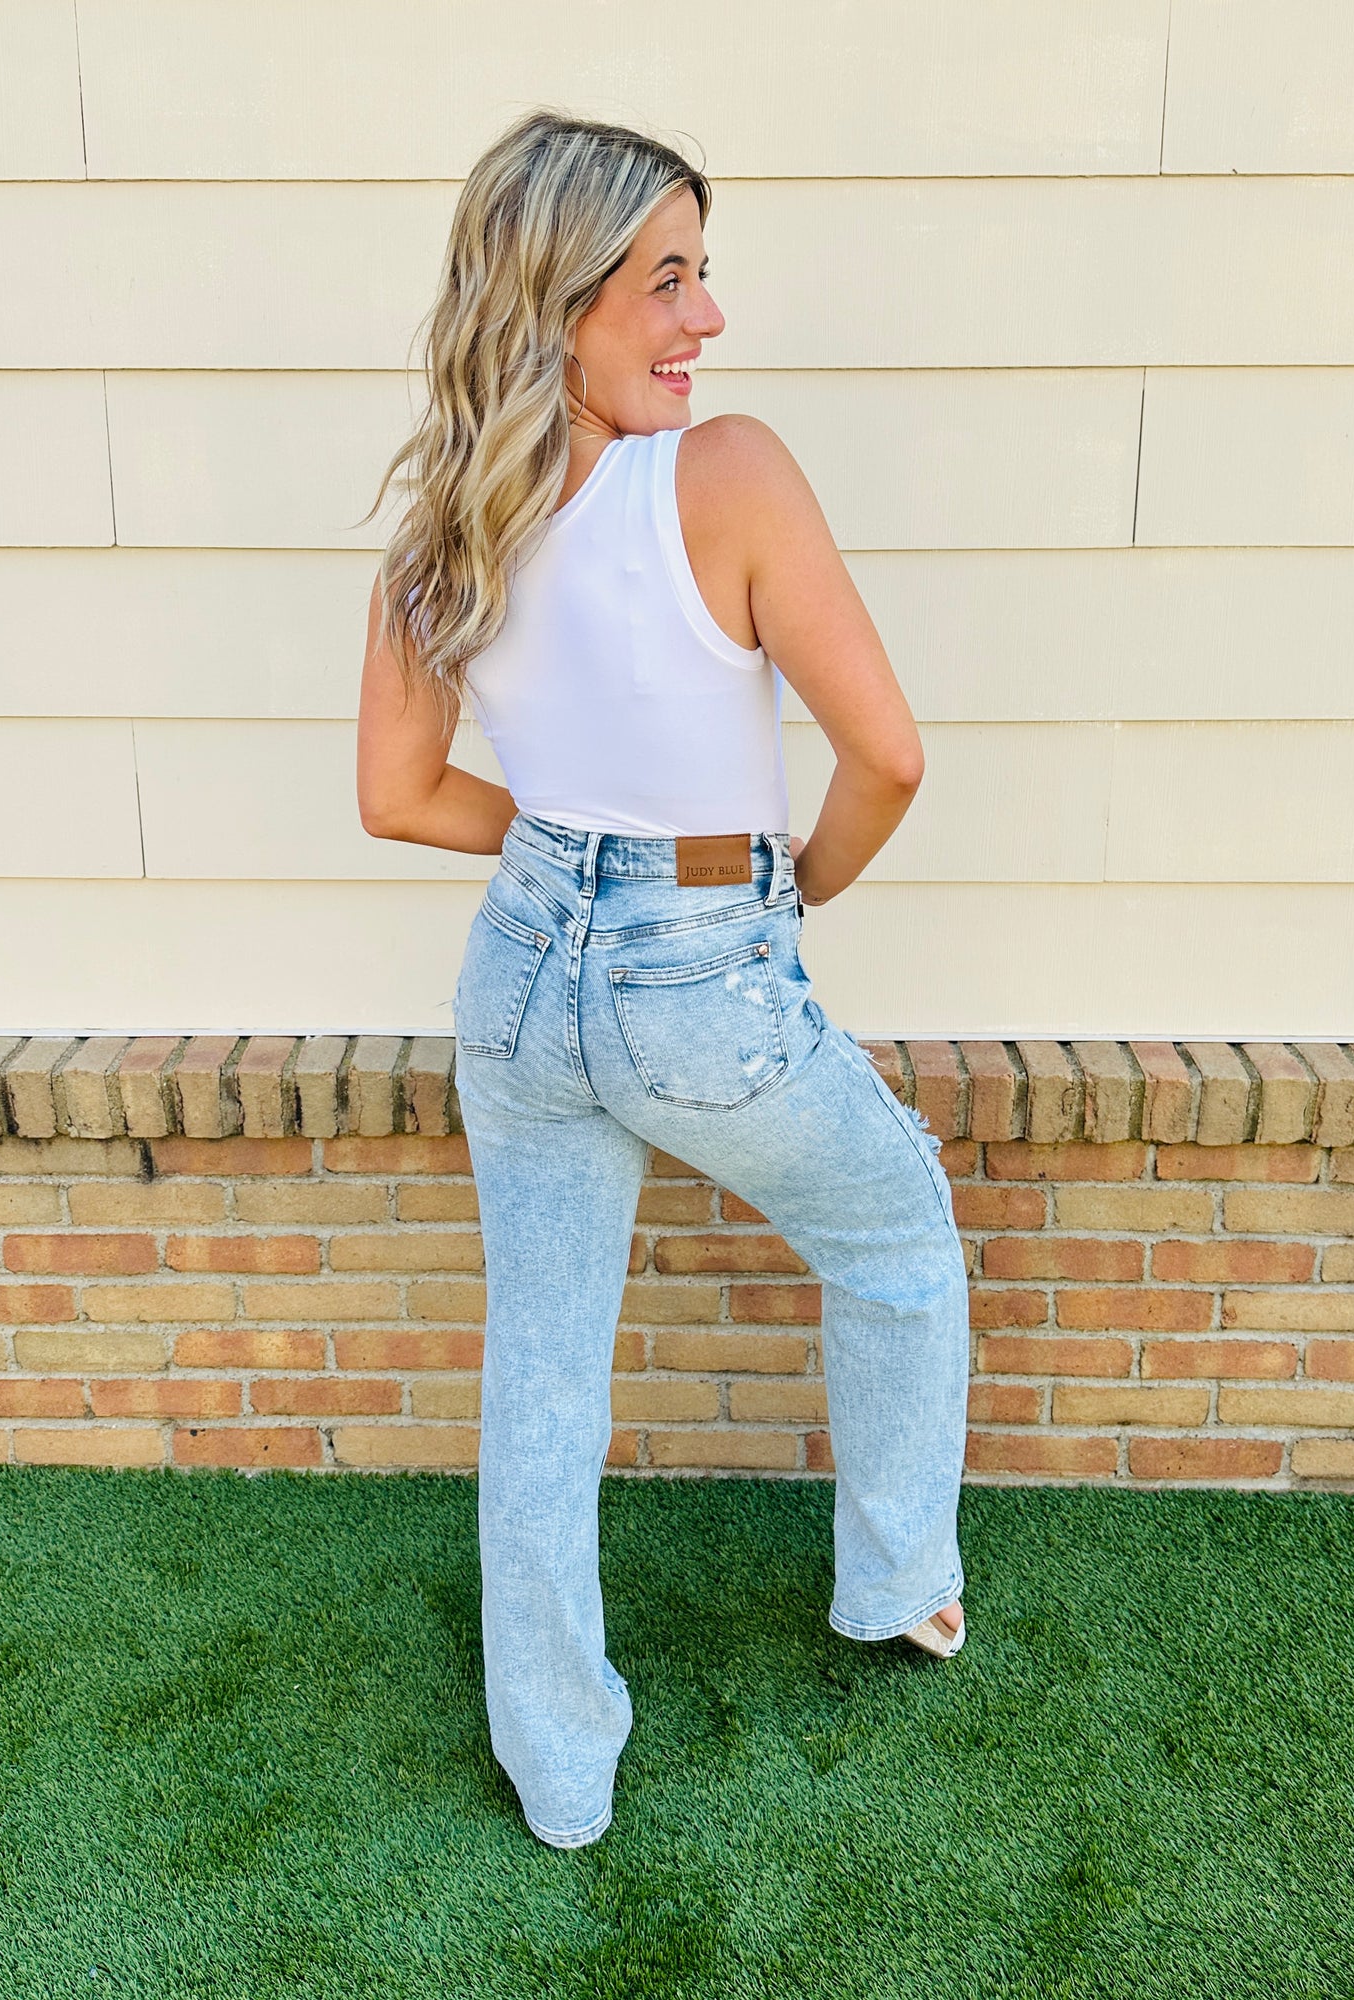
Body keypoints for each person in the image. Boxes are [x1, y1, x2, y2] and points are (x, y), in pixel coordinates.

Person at [356, 109, 969, 1851]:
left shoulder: (440, 532)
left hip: (520, 975)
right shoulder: (730, 474)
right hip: (702, 969)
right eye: (669, 281)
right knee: (897, 1237)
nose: (708, 318)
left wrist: (568, 851)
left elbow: (397, 796)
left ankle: (559, 1771)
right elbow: (890, 758)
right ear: (561, 300)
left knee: (544, 1373)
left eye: (704, 276)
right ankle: (899, 1581)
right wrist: (784, 892)